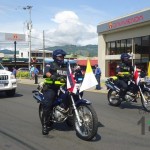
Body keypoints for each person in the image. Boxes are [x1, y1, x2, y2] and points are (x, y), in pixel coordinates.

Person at [42, 49, 67, 135]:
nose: (62, 58)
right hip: (51, 88)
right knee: (48, 104)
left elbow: (70, 74)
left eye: (63, 56)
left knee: (70, 98)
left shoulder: (65, 66)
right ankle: (45, 125)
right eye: (60, 56)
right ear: (55, 57)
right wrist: (52, 76)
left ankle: (70, 118)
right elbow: (46, 72)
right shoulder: (51, 64)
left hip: (63, 87)